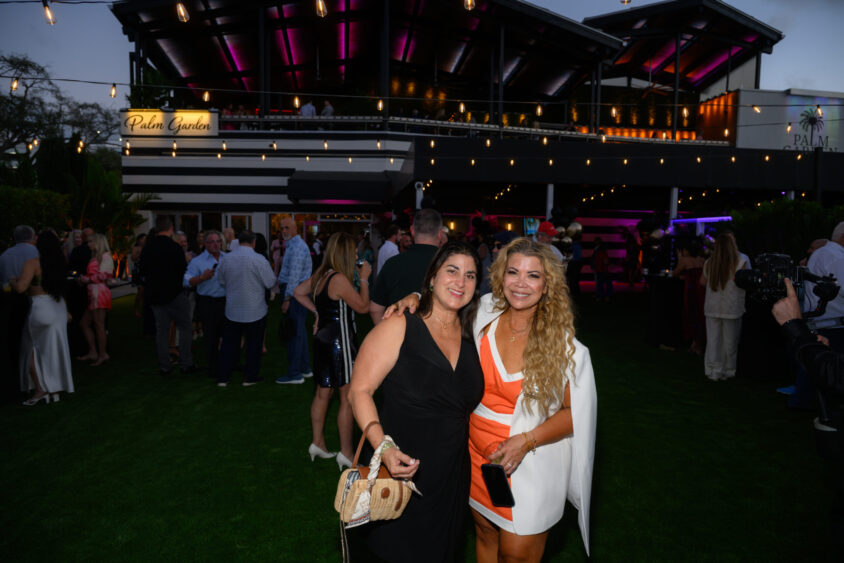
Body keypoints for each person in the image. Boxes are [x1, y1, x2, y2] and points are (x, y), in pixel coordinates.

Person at [385, 238, 597, 561]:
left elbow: (576, 413)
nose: (520, 284)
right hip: (474, 458)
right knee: (484, 535)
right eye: (513, 272)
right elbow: (446, 299)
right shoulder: (483, 312)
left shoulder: (566, 349)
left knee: (515, 554)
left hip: (529, 463)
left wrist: (526, 441)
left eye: (533, 276)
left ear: (547, 285)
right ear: (501, 276)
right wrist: (415, 296)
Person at [348, 241, 485, 562]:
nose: (460, 282)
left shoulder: (475, 333)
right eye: (452, 271)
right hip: (397, 472)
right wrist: (383, 448)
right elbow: (359, 391)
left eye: (470, 275)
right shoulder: (400, 324)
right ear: (432, 277)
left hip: (450, 478)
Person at [293, 233, 372, 468]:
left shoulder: (322, 275)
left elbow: (298, 292)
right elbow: (363, 307)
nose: (357, 256)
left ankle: (318, 443)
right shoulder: (338, 279)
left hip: (323, 340)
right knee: (347, 398)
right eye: (354, 252)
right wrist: (364, 279)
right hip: (340, 343)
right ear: (345, 254)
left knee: (322, 393)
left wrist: (317, 312)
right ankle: (346, 453)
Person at [10, 230, 74, 405]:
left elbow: (21, 287)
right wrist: (67, 311)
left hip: (41, 308)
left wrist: (13, 280)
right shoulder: (60, 263)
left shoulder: (33, 263)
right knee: (52, 349)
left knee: (29, 350)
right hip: (58, 308)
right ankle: (54, 389)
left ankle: (41, 389)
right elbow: (63, 289)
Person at [216, 230, 277, 387]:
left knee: (229, 344)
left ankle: (223, 377)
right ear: (254, 242)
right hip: (255, 309)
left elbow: (221, 280)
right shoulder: (259, 259)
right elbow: (270, 282)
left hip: (233, 309)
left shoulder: (226, 259)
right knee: (254, 344)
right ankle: (250, 377)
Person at [139, 216, 195, 375]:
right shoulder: (174, 247)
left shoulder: (148, 248)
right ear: (171, 229)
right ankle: (186, 363)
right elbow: (182, 269)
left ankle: (165, 365)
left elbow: (142, 270)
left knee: (162, 331)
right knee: (185, 327)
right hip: (174, 294)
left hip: (155, 295)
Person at [369, 209, 443, 324]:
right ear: (440, 233)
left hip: (398, 331)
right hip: (439, 332)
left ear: (412, 230)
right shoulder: (448, 265)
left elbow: (375, 309)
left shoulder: (392, 263)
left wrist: (385, 333)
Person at [700, 233, 748, 381]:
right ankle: (728, 370)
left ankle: (713, 370)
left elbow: (702, 282)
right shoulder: (741, 262)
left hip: (712, 306)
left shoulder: (709, 262)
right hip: (732, 306)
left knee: (713, 340)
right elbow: (745, 284)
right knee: (730, 342)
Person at [275, 217, 313, 384]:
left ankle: (295, 374)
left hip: (295, 293)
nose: (284, 231)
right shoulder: (293, 245)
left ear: (295, 228)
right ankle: (304, 368)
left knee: (294, 333)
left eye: (287, 228)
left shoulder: (297, 247)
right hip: (298, 292)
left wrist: (287, 298)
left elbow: (294, 277)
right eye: (282, 228)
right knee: (299, 331)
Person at [184, 230, 226, 380]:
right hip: (208, 302)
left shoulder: (227, 258)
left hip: (226, 301)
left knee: (228, 335)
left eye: (218, 241)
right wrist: (202, 277)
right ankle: (213, 368)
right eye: (212, 242)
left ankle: (229, 363)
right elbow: (187, 281)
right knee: (211, 336)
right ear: (205, 244)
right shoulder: (197, 261)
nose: (216, 244)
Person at [77, 233, 114, 366]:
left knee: (99, 325)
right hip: (93, 294)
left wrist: (86, 279)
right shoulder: (96, 257)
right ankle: (94, 352)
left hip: (99, 294)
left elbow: (102, 276)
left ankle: (102, 354)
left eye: (91, 241)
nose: (88, 244)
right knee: (85, 323)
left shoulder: (105, 256)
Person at [673, 241, 706, 355]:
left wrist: (679, 259)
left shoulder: (685, 260)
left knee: (691, 313)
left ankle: (696, 344)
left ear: (687, 250)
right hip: (701, 289)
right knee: (700, 313)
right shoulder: (702, 260)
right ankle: (697, 343)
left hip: (691, 289)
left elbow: (675, 273)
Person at [592, 236, 613, 302]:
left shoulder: (597, 253)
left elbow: (595, 261)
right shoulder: (603, 253)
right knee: (607, 284)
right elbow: (605, 262)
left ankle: (599, 297)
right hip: (603, 270)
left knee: (599, 284)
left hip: (599, 270)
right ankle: (607, 296)